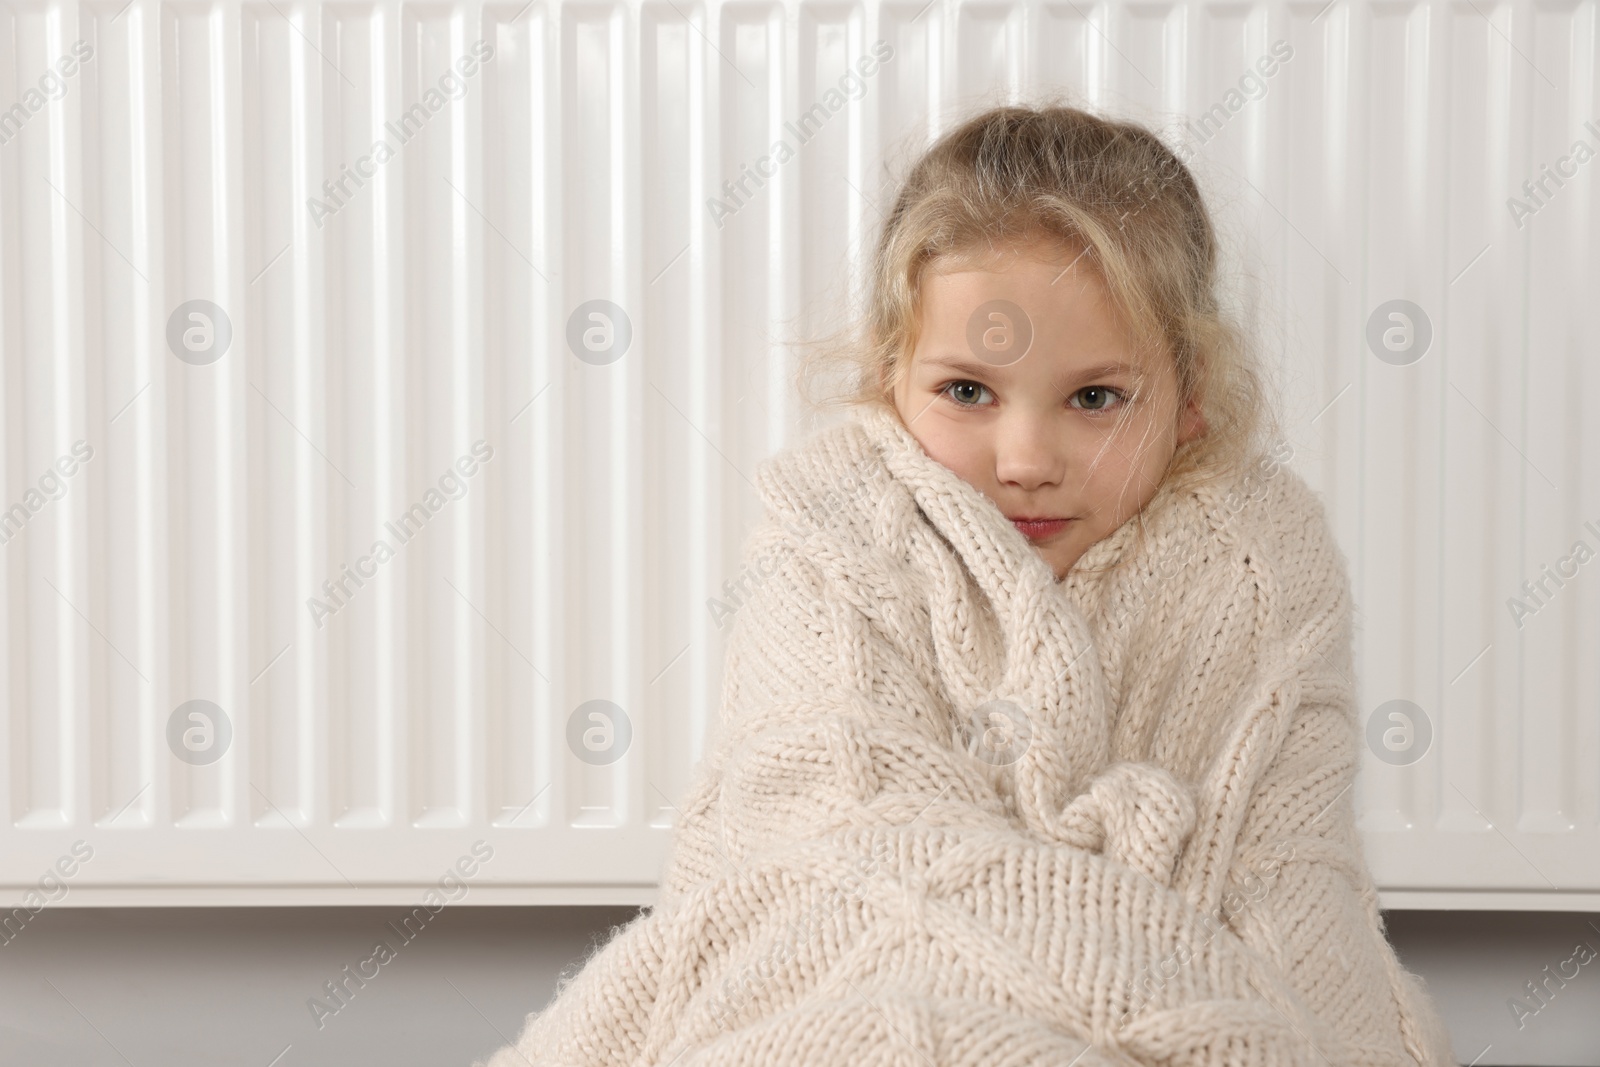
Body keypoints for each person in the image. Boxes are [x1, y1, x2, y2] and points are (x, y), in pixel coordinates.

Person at [480, 101, 1457, 1067]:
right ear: (889, 375)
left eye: (1093, 398)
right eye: (966, 392)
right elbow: (838, 847)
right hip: (860, 981)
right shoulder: (834, 531)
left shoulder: (1262, 560)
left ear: (1189, 395)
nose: (1025, 457)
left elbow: (1290, 888)